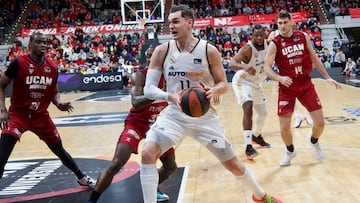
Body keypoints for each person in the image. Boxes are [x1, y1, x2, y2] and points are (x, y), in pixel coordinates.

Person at [140, 4, 282, 203]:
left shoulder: (209, 50)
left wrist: (213, 90)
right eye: (169, 22)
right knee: (147, 153)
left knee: (233, 164)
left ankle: (261, 196)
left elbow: (223, 83)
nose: (170, 26)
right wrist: (170, 97)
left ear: (189, 23)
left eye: (175, 21)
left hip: (204, 117)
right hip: (175, 114)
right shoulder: (162, 51)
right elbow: (149, 89)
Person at [0, 32, 96, 187]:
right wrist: (2, 110)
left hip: (40, 116)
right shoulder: (18, 62)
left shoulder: (52, 67)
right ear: (30, 44)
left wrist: (58, 103)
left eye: (45, 42)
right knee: (2, 155)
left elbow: (54, 91)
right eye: (39, 42)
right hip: (18, 115)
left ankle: (81, 177)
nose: (43, 45)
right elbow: (1, 85)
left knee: (59, 150)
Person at [87, 45, 177, 203]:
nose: (151, 59)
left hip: (157, 125)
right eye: (148, 56)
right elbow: (136, 102)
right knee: (117, 162)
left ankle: (153, 188)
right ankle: (92, 201)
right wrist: (161, 94)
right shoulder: (140, 76)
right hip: (136, 124)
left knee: (170, 167)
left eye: (155, 56)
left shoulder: (172, 79)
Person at [263, 10, 341, 167]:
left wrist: (327, 77)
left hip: (305, 83)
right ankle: (290, 151)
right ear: (277, 24)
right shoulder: (275, 43)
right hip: (287, 86)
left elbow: (314, 58)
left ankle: (314, 142)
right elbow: (266, 67)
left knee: (320, 123)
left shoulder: (303, 36)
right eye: (280, 23)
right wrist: (279, 78)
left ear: (291, 21)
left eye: (285, 22)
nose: (283, 26)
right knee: (284, 129)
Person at [229, 24, 271, 160]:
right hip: (243, 81)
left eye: (261, 35)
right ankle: (248, 147)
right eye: (256, 35)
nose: (259, 38)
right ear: (252, 36)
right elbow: (231, 63)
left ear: (265, 34)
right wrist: (244, 66)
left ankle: (256, 136)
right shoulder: (248, 48)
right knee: (248, 108)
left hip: (257, 83)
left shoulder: (270, 45)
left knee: (263, 114)